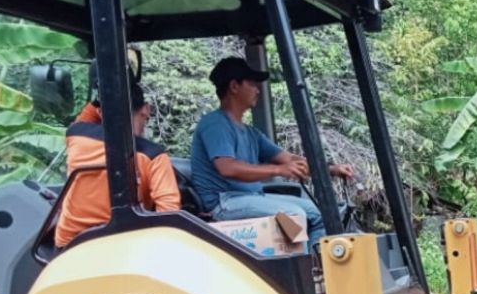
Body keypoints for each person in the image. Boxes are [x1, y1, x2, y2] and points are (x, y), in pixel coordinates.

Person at [190, 57, 352, 249]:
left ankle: (319, 267)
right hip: (224, 202)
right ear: (234, 86)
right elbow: (227, 168)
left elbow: (289, 159)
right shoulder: (215, 124)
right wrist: (278, 170)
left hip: (252, 198)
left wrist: (332, 169)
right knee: (294, 215)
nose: (258, 90)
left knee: (321, 212)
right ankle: (302, 274)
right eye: (252, 84)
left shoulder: (251, 133)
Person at [56, 82, 181, 247]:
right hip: (123, 246)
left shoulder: (76, 135)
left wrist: (103, 93)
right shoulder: (153, 155)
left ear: (101, 112)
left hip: (70, 243)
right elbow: (169, 213)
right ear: (147, 109)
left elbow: (89, 114)